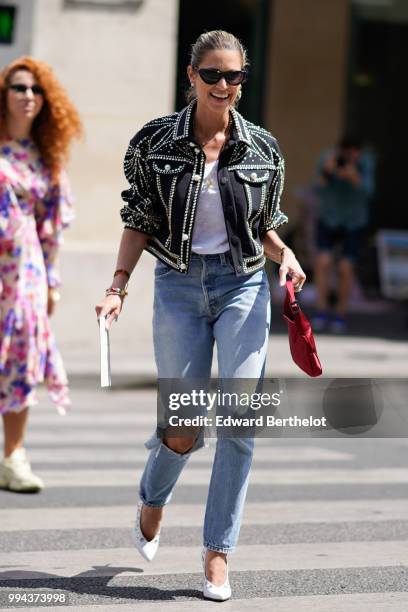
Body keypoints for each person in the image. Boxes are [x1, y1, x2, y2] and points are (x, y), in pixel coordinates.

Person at [95, 30, 305, 602]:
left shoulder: (263, 147)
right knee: (184, 426)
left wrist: (285, 257)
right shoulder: (154, 142)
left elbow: (261, 225)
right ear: (190, 76)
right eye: (212, 74)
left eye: (234, 76)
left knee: (239, 421)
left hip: (242, 286)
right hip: (179, 287)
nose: (223, 85)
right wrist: (119, 285)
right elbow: (139, 214)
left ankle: (217, 553)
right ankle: (153, 496)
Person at [0, 57, 82, 492]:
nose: (28, 96)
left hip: (24, 270)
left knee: (19, 361)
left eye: (35, 89)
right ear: (4, 96)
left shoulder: (46, 160)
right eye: (18, 88)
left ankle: (13, 456)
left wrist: (51, 279)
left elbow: (51, 230)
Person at [312, 136, 375, 333]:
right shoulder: (327, 158)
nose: (349, 158)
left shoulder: (365, 163)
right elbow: (316, 189)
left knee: (346, 267)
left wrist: (354, 177)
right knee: (323, 261)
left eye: (353, 154)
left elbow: (369, 192)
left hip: (353, 222)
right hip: (328, 218)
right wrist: (327, 173)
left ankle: (340, 313)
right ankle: (321, 310)